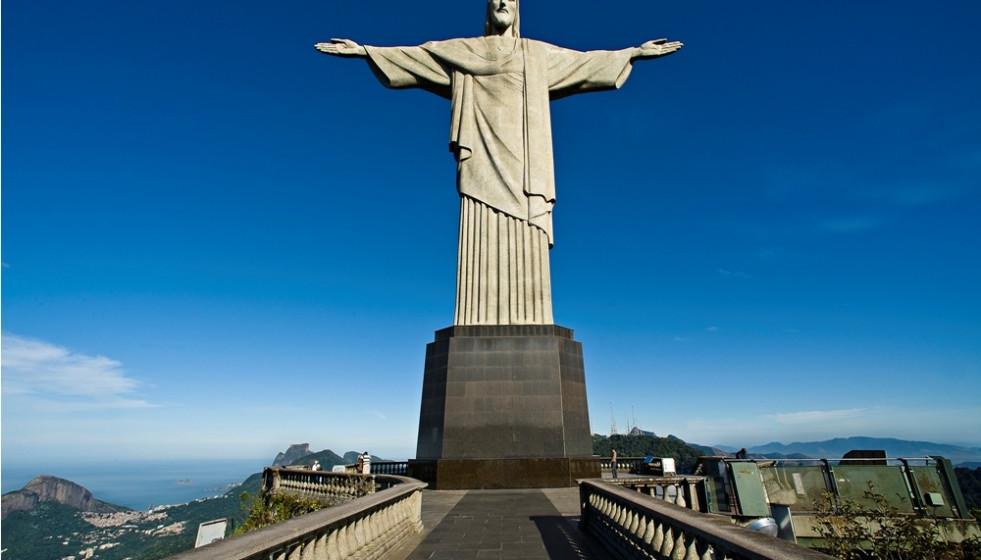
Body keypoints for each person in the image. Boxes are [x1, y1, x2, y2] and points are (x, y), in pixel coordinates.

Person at [315, 0, 682, 326]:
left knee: (528, 235)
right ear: (488, 9)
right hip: (481, 158)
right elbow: (419, 56)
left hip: (526, 165)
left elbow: (584, 62)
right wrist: (365, 51)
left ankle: (530, 315)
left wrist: (632, 53)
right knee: (479, 226)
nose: (503, 2)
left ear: (518, 9)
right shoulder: (464, 51)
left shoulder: (536, 54)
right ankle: (477, 315)